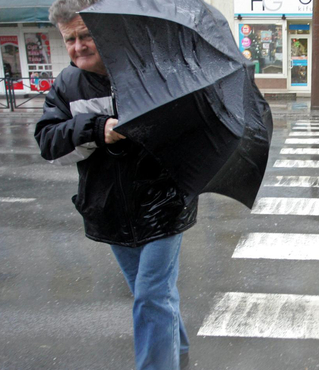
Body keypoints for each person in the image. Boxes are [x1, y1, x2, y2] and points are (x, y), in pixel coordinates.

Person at [35, 1, 195, 369]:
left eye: (86, 34)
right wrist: (95, 129)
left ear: (106, 30)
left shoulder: (149, 71)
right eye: (70, 39)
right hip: (108, 208)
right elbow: (47, 141)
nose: (78, 47)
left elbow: (188, 129)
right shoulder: (68, 84)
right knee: (149, 294)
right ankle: (179, 354)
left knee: (151, 295)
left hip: (163, 203)